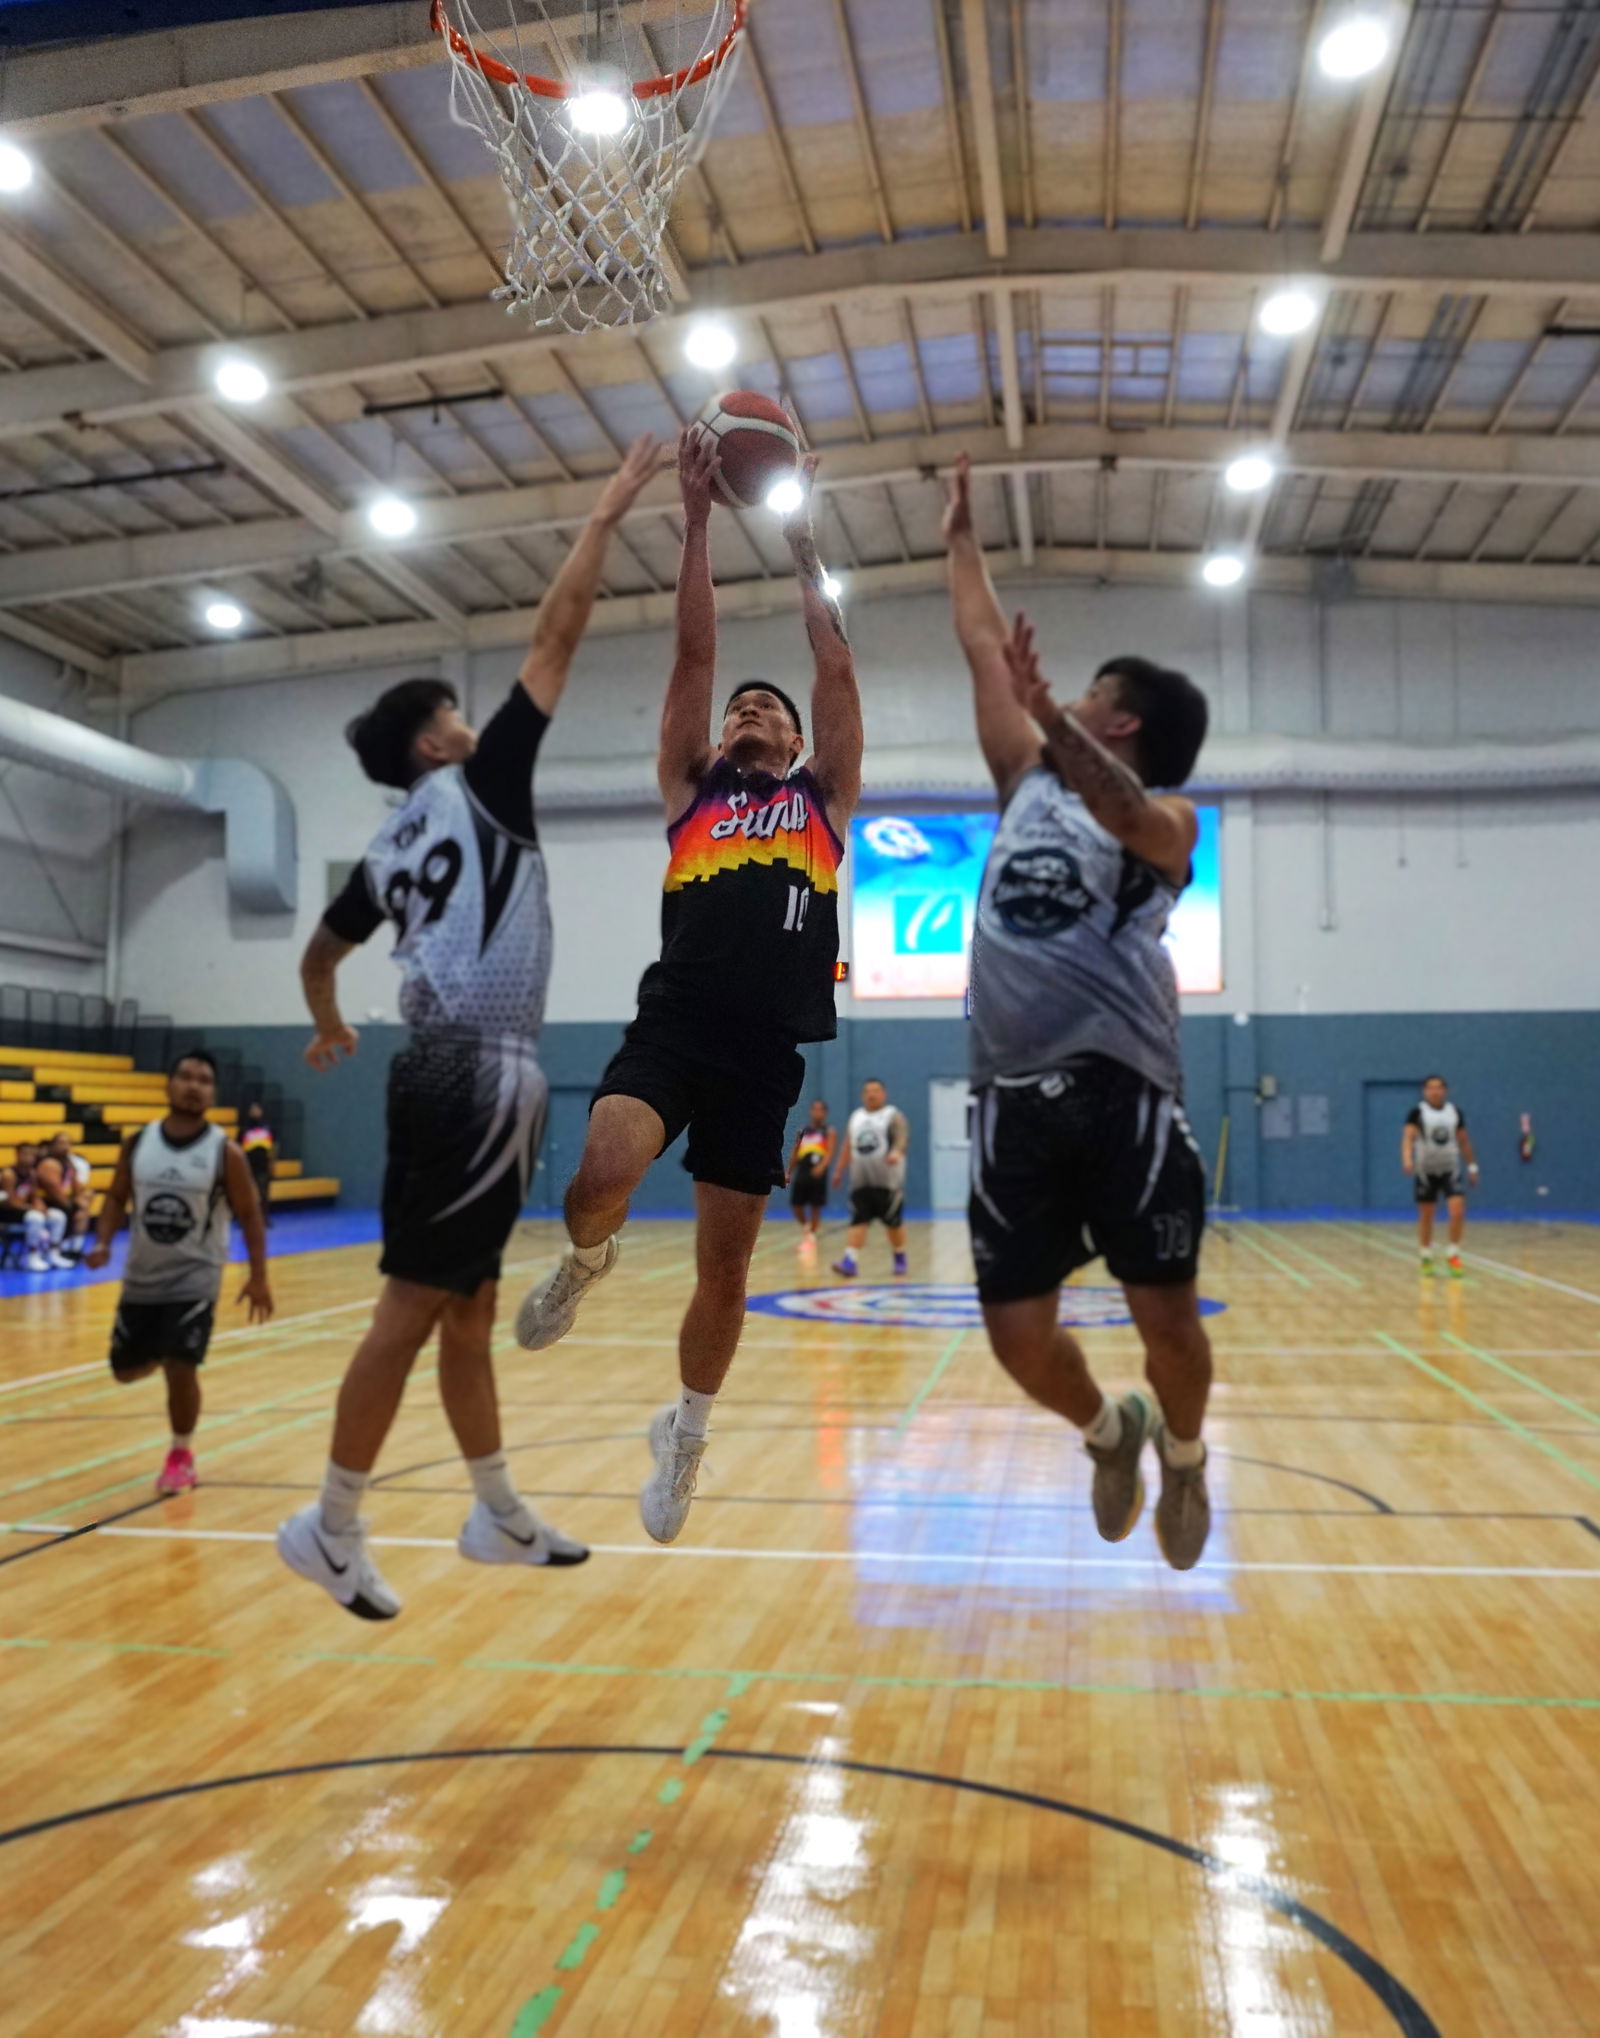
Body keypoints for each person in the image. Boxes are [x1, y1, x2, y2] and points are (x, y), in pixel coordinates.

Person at [276, 432, 663, 1622]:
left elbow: (321, 948)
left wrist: (331, 1020)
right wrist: (604, 513)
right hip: (470, 1073)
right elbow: (557, 638)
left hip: (461, 1069)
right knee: (414, 1300)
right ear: (439, 739)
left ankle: (493, 1506)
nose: (473, 721)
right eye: (457, 711)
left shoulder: (391, 841)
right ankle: (330, 1523)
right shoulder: (479, 784)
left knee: (471, 1307)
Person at [516, 427, 863, 1546]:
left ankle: (687, 1429)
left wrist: (804, 546)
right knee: (597, 1178)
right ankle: (588, 1254)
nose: (746, 710)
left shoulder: (823, 801)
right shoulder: (691, 790)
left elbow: (836, 667)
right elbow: (693, 658)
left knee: (726, 1267)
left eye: (769, 709)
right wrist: (702, 518)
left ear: (801, 741)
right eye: (737, 710)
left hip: (767, 1049)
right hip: (678, 1019)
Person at [944, 452, 1215, 1571]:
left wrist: (1051, 710)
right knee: (1015, 1340)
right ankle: (1113, 1433)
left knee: (1167, 1324)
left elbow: (1124, 810)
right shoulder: (1024, 781)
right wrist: (960, 540)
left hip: (1124, 1095)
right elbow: (976, 645)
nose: (1062, 704)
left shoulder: (1167, 820)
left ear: (1125, 721)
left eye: (1092, 697)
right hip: (1009, 1099)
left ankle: (1187, 1457)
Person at [86, 1050, 273, 1495]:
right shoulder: (138, 1143)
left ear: (213, 1092)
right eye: (186, 1077)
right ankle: (155, 1351)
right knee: (125, 1370)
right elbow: (115, 1197)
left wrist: (259, 1276)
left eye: (204, 1080)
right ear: (169, 1085)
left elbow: (250, 1215)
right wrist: (102, 1241)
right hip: (142, 1276)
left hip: (197, 1274)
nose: (194, 1085)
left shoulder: (224, 1152)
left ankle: (181, 1456)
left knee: (181, 1364)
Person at [832, 1078, 910, 1277]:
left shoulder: (892, 1115)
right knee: (858, 1220)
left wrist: (897, 1152)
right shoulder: (856, 1117)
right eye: (867, 1091)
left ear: (883, 1094)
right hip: (861, 1181)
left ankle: (900, 1256)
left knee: (893, 1223)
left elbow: (902, 1137)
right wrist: (839, 1169)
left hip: (888, 1182)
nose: (871, 1094)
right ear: (862, 1095)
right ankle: (849, 1262)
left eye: (876, 1090)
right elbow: (848, 1145)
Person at [1403, 1074, 1478, 1277]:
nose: (1435, 1091)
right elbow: (1408, 1137)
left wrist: (1472, 1166)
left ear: (1445, 1091)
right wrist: (1407, 1158)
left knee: (1457, 1210)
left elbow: (1463, 1141)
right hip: (1426, 1171)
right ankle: (1426, 1255)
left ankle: (1453, 1253)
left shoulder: (1454, 1113)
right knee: (1427, 1215)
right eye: (1430, 1088)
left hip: (1450, 1169)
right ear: (1425, 1091)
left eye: (1439, 1088)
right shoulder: (1417, 1112)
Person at [785, 1098, 835, 1248]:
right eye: (814, 1109)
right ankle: (807, 1227)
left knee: (815, 1205)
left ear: (825, 1113)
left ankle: (812, 1235)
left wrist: (822, 1167)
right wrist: (789, 1172)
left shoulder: (829, 1131)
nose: (817, 1112)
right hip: (803, 1171)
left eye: (820, 1110)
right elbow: (795, 1152)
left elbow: (830, 1152)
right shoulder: (803, 1131)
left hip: (818, 1172)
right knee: (796, 1204)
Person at [41, 1131, 94, 1262]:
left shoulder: (69, 1163)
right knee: (73, 1210)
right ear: (52, 1145)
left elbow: (77, 1187)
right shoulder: (49, 1163)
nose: (65, 1147)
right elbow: (54, 1192)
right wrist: (73, 1205)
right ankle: (60, 1248)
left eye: (67, 1143)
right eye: (61, 1143)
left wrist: (78, 1200)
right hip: (47, 1202)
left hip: (62, 1201)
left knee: (85, 1201)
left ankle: (75, 1249)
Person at [240, 1103, 276, 1225]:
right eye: (253, 1110)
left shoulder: (266, 1129)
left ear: (261, 1111)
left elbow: (273, 1147)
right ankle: (244, 1219)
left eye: (257, 1110)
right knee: (245, 1194)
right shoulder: (244, 1128)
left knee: (263, 1194)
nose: (255, 1112)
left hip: (262, 1166)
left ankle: (264, 1218)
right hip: (247, 1166)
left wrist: (272, 1164)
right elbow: (238, 1147)